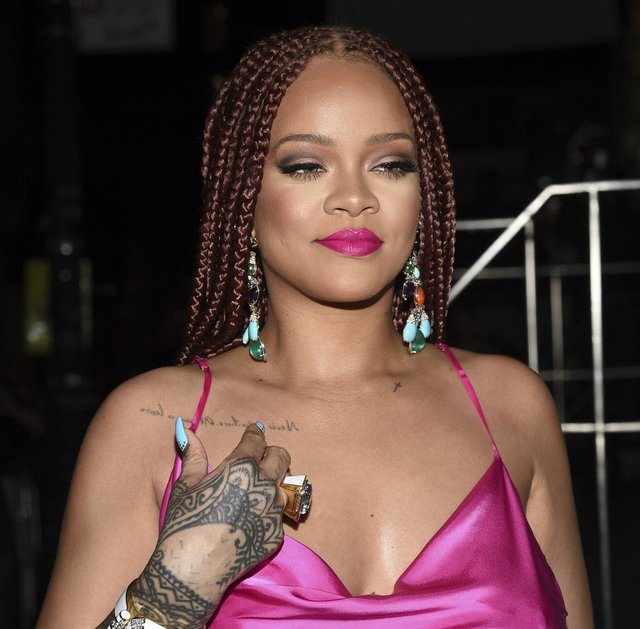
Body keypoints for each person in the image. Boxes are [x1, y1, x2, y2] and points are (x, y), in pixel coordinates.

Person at [37, 25, 593, 628]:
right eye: (305, 166)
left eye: (390, 164)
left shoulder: (511, 407)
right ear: (243, 199)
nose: (354, 197)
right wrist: (173, 592)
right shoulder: (152, 426)